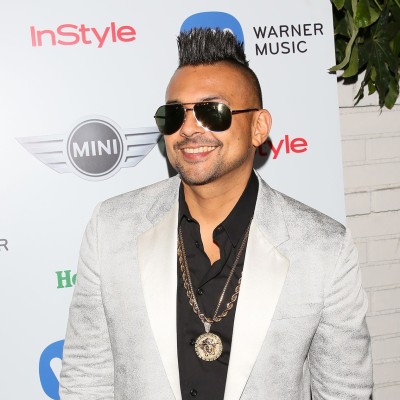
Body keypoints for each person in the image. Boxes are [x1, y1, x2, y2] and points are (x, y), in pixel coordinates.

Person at [59, 28, 373, 399]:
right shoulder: (111, 227)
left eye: (212, 112)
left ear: (258, 127)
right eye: (174, 115)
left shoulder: (323, 248)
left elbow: (344, 391)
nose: (189, 129)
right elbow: (86, 379)